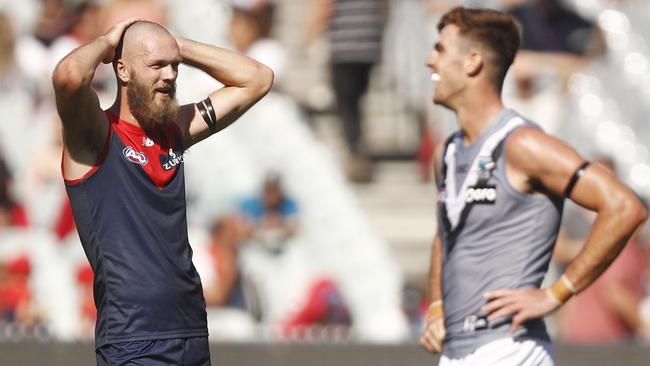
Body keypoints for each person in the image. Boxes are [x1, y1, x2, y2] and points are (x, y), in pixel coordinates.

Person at [418, 7, 646, 366]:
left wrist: (557, 294)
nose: (430, 61)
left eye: (441, 50)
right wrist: (436, 308)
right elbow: (444, 234)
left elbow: (624, 206)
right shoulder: (445, 154)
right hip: (457, 353)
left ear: (472, 62)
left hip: (509, 350)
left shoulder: (523, 145)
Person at [52, 18, 273, 365]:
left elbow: (258, 79)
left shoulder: (174, 132)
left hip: (190, 330)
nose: (170, 75)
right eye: (156, 65)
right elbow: (68, 77)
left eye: (174, 66)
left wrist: (177, 46)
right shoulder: (97, 137)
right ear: (123, 70)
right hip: (133, 338)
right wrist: (108, 42)